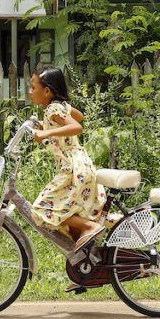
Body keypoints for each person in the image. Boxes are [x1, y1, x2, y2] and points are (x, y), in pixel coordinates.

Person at [27, 66, 107, 252]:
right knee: (73, 219)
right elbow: (79, 115)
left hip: (71, 169)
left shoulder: (52, 109)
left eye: (33, 87)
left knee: (41, 208)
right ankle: (85, 271)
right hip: (81, 165)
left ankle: (90, 227)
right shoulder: (59, 107)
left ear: (47, 91)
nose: (30, 92)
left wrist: (48, 131)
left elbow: (77, 126)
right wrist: (46, 125)